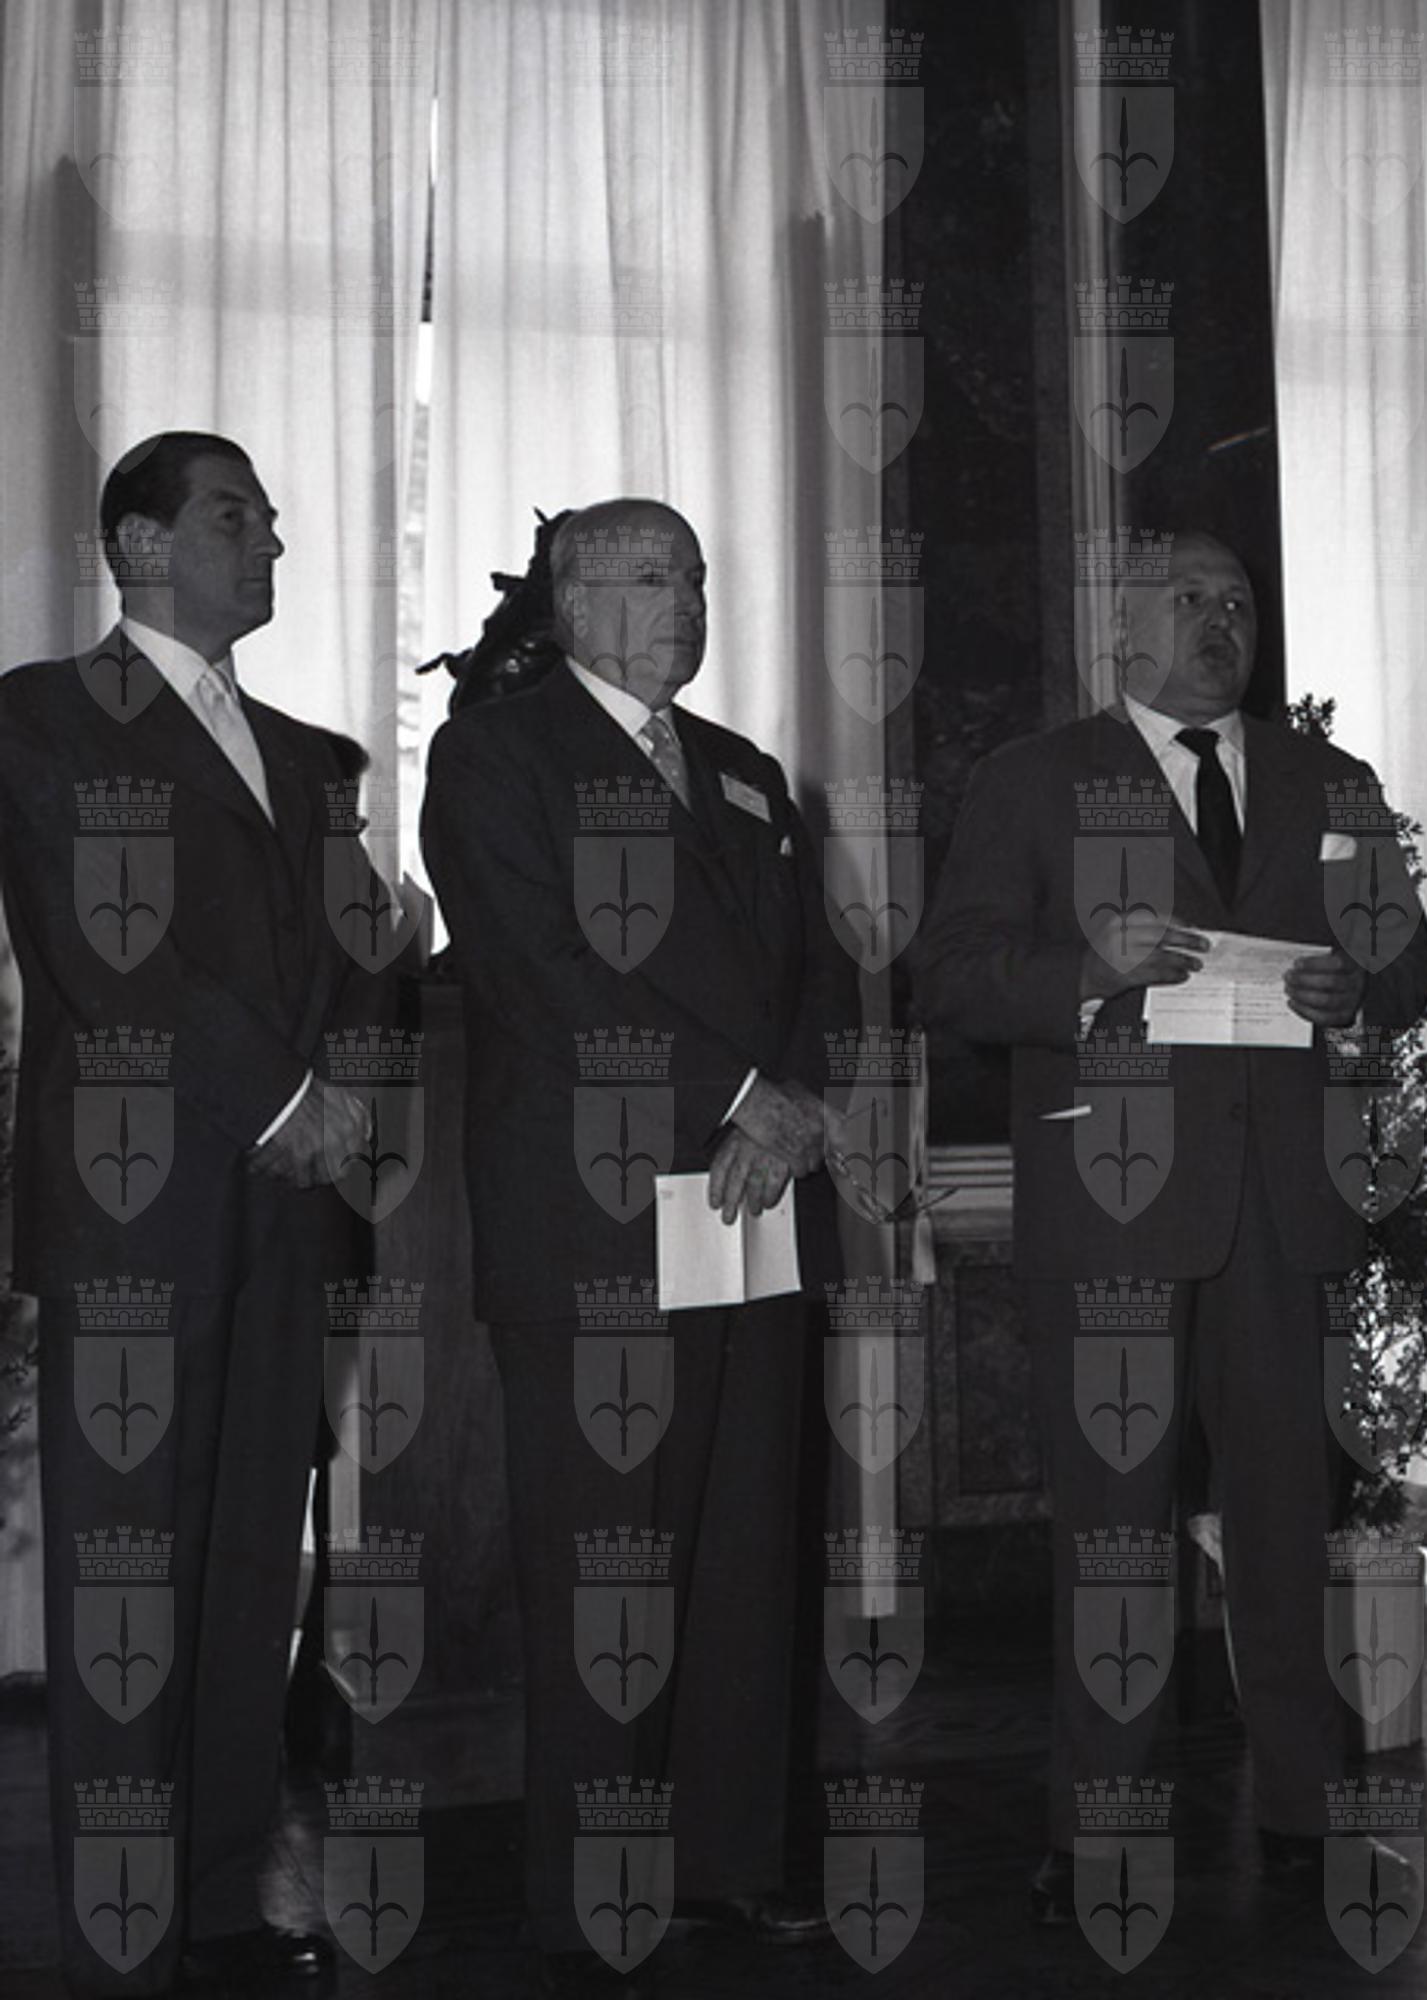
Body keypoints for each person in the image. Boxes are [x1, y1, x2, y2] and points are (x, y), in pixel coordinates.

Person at [914, 531, 1427, 1923]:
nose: (1220, 622)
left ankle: (1306, 1809)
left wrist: (1359, 987)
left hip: (1281, 1206)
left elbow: (1405, 968)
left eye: (1238, 602)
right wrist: (1088, 970)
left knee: (1286, 1525)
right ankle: (1102, 1827)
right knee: (1115, 1533)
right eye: (1188, 601)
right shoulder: (1033, 780)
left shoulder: (1331, 781)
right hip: (1113, 1204)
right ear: (1123, 635)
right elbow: (949, 974)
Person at [421, 498, 852, 1988]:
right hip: (596, 1217)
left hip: (754, 1202)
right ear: (572, 600)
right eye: (656, 576)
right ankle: (595, 1891)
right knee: (609, 1561)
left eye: (698, 578)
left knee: (743, 1548)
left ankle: (729, 1862)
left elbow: (812, 968)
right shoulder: (497, 755)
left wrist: (788, 1106)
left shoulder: (741, 770)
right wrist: (733, 1095)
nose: (688, 601)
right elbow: (536, 973)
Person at [0, 432, 395, 1994]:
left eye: (276, 521)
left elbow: (345, 962)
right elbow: (113, 955)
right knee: (128, 1571)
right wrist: (291, 1102)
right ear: (139, 544)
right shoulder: (40, 715)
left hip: (287, 1211)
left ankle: (222, 1888)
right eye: (237, 517)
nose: (272, 542)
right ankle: (122, 1926)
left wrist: (353, 1048)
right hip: (135, 1214)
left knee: (243, 1564)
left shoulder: (306, 755)